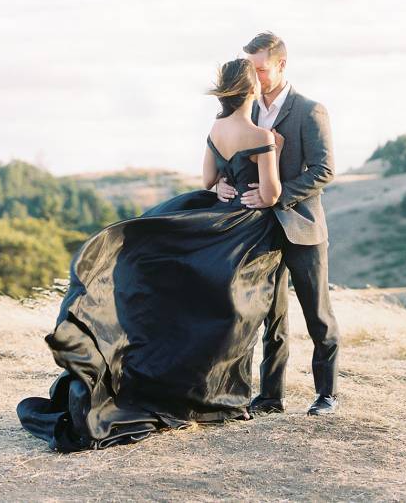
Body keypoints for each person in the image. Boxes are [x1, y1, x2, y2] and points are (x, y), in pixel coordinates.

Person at [16, 58, 286, 452]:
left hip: (214, 216)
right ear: (252, 91)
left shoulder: (216, 129)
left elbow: (209, 180)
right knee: (239, 315)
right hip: (245, 229)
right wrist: (266, 166)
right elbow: (273, 193)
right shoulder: (260, 134)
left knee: (205, 308)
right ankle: (223, 399)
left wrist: (225, 185)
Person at [216, 32, 340, 416]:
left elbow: (324, 170)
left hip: (301, 226)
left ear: (282, 65)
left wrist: (277, 195)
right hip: (255, 230)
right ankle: (270, 396)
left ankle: (326, 395)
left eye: (261, 69)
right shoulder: (243, 110)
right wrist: (222, 182)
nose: (253, 77)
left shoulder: (310, 110)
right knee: (268, 315)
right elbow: (227, 156)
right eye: (250, 69)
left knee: (317, 314)